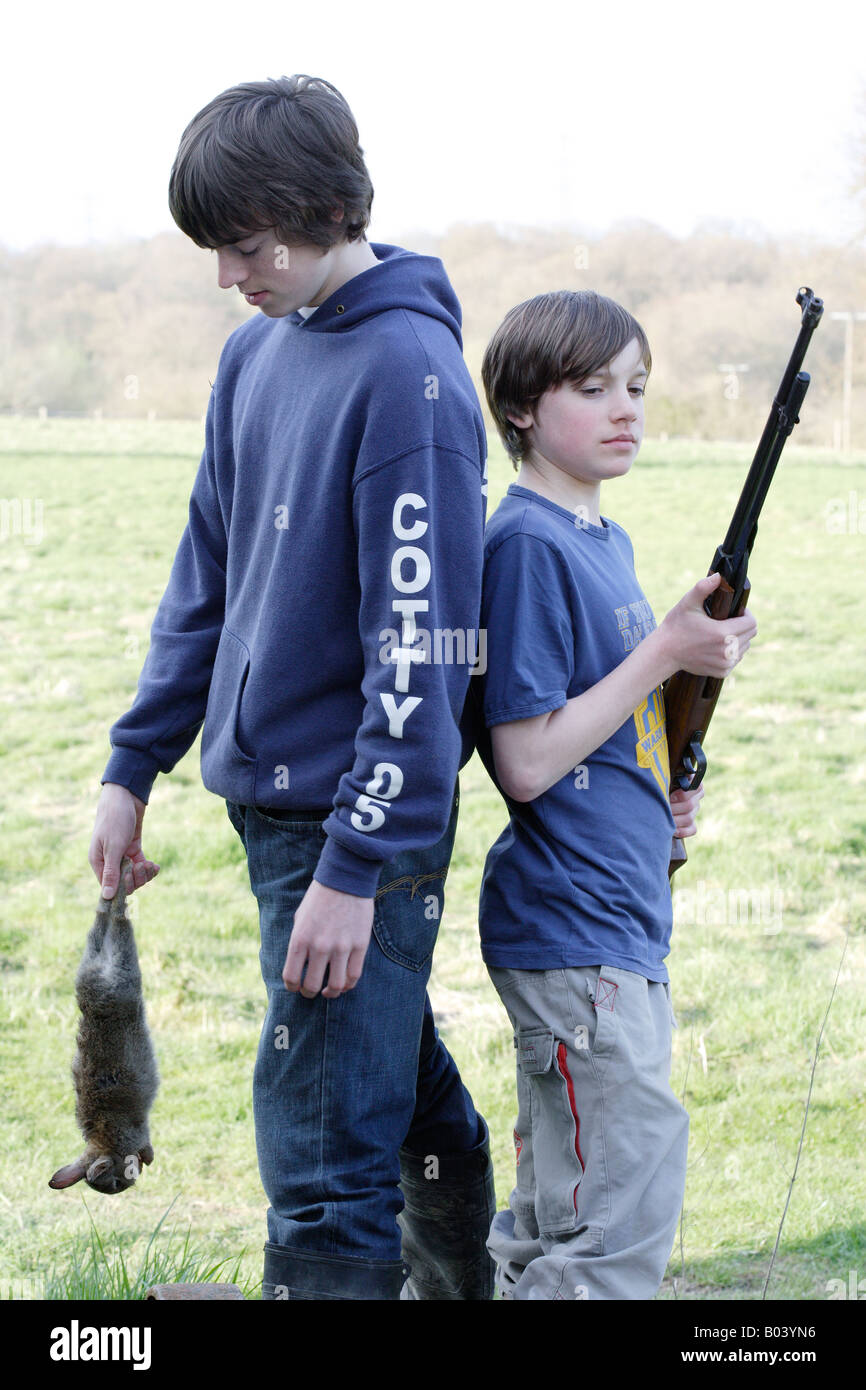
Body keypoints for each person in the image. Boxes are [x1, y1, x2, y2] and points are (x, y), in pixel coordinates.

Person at [88, 74, 495, 1301]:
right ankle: (461, 1283)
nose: (228, 275)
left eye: (245, 245)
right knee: (384, 1077)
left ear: (324, 208)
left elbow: (420, 655)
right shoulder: (252, 357)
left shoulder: (411, 381)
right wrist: (131, 764)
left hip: (353, 821)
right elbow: (204, 581)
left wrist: (354, 870)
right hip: (270, 815)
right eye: (212, 249)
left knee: (320, 1155)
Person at [472, 288, 758, 1300]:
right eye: (590, 388)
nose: (624, 407)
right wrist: (661, 653)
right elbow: (526, 760)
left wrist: (658, 794)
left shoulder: (603, 543)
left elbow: (608, 732)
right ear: (518, 408)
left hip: (613, 919)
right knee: (617, 1224)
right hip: (573, 929)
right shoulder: (526, 549)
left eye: (634, 386)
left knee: (558, 1212)